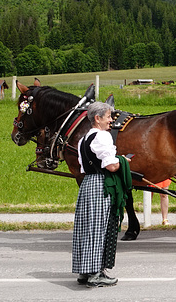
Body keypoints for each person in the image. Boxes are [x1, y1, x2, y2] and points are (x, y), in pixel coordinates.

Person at [72, 101, 131, 287]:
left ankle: (85, 271)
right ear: (97, 119)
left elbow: (84, 166)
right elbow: (111, 166)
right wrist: (123, 161)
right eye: (108, 117)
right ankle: (96, 273)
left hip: (88, 183)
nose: (111, 120)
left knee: (86, 227)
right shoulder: (103, 137)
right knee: (99, 228)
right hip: (101, 184)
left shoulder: (84, 139)